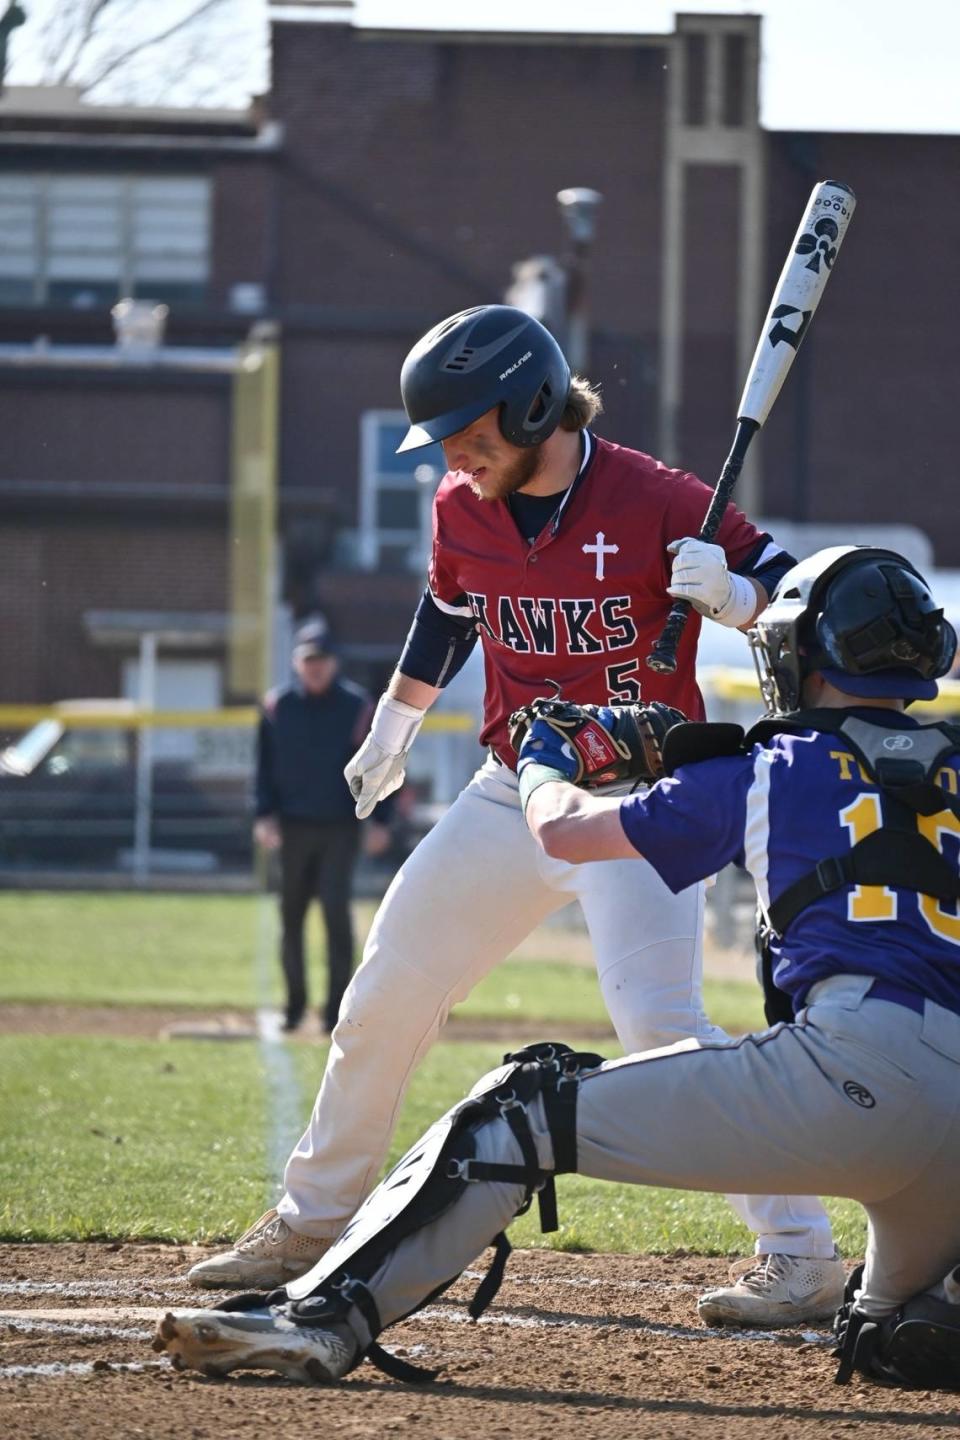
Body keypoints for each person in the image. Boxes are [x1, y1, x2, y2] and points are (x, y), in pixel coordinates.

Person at [155, 546, 960, 1391]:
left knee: (515, 1108)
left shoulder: (771, 764)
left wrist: (547, 758)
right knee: (889, 1332)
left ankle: (318, 1321)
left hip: (850, 1071)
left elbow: (568, 835)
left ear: (805, 655)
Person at [186, 303, 842, 1324]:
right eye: (445, 438)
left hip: (641, 799)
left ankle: (801, 1256)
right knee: (386, 989)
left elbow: (799, 593)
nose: (456, 453)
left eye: (471, 430)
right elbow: (449, 609)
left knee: (663, 1028)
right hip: (512, 788)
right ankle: (314, 1219)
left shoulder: (658, 496)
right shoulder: (460, 503)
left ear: (535, 402)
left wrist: (741, 597)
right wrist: (396, 724)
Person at [254, 616, 390, 1034]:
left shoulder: (357, 706)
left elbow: (378, 765)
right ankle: (294, 1007)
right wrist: (263, 815)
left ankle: (335, 1011)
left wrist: (381, 820)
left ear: (334, 663)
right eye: (309, 658)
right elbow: (263, 768)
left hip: (338, 827)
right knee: (290, 914)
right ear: (296, 661)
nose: (316, 666)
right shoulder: (278, 706)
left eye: (323, 658)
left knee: (335, 913)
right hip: (292, 826)